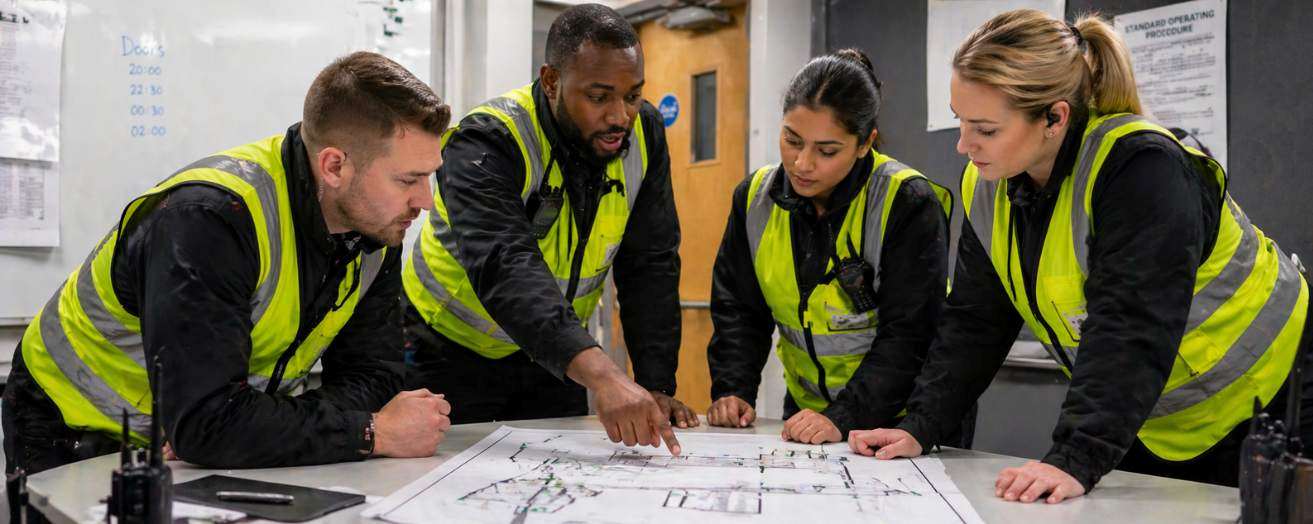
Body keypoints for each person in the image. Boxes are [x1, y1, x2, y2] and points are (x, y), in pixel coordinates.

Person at [849, 9, 1312, 504]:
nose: (963, 144)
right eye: (961, 120)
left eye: (984, 128)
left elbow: (1130, 322)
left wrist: (1075, 456)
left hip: (1277, 398)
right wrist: (922, 424)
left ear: (1054, 117)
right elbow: (975, 321)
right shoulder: (989, 187)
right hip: (1152, 412)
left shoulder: (1142, 168)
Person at [2, 52, 455, 474]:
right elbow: (207, 424)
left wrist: (239, 429)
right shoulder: (209, 220)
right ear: (334, 166)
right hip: (74, 427)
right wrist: (370, 432)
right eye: (408, 179)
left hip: (188, 440)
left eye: (428, 177)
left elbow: (372, 374)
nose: (426, 201)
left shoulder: (376, 225)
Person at [402, 3, 694, 454]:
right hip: (444, 353)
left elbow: (650, 264)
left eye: (633, 95)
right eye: (598, 97)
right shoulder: (486, 141)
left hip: (552, 356)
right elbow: (506, 266)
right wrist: (604, 376)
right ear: (552, 81)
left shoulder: (645, 134)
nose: (620, 116)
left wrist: (654, 383)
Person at [706, 49, 973, 446]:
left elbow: (911, 334)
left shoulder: (907, 201)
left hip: (903, 420)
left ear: (865, 143)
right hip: (811, 412)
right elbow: (739, 308)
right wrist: (733, 387)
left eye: (826, 151)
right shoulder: (754, 199)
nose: (802, 163)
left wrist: (845, 416)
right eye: (791, 139)